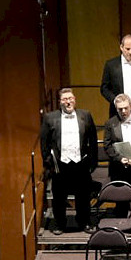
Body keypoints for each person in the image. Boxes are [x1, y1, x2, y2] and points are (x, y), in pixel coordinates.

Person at [40, 87, 98, 233]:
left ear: (75, 100)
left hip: (81, 162)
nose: (68, 102)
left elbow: (93, 139)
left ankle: (84, 222)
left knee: (83, 196)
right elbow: (44, 142)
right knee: (59, 196)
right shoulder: (49, 118)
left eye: (70, 98)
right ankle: (60, 224)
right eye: (65, 99)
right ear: (60, 102)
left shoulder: (85, 115)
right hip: (60, 164)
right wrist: (49, 162)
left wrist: (93, 161)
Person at [102, 91, 131, 179]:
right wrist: (119, 159)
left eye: (126, 108)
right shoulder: (110, 123)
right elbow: (107, 145)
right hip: (118, 169)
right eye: (120, 109)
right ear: (116, 109)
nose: (123, 111)